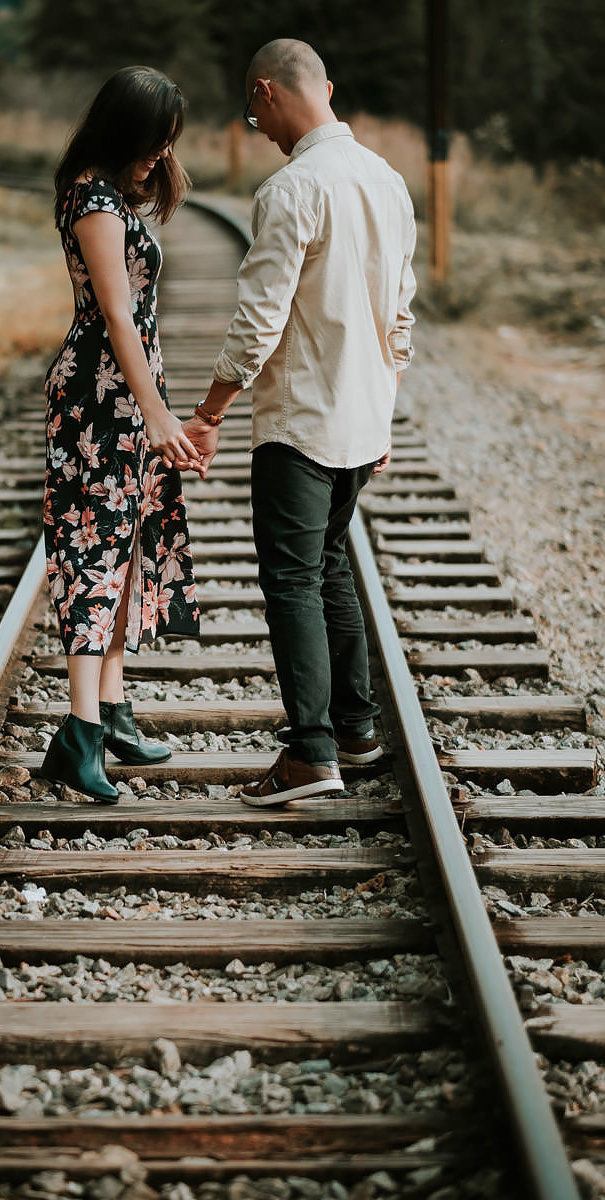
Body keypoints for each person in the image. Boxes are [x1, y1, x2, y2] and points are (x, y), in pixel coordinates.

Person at [183, 39, 417, 806]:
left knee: (292, 578)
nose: (259, 127)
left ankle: (312, 752)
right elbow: (401, 315)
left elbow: (257, 321)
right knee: (330, 567)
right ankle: (354, 729)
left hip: (301, 424)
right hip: (358, 418)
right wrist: (381, 408)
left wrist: (211, 411)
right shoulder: (387, 180)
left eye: (256, 113)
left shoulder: (292, 189)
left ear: (268, 90)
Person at [40, 66, 203, 803]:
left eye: (167, 147)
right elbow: (114, 316)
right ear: (123, 133)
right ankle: (79, 734)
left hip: (125, 399)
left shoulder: (113, 196)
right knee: (92, 553)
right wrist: (158, 413)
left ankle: (109, 711)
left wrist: (157, 408)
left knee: (123, 553)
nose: (160, 158)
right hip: (98, 404)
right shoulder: (92, 200)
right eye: (153, 144)